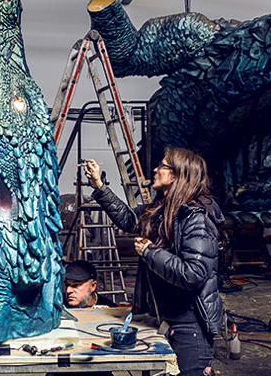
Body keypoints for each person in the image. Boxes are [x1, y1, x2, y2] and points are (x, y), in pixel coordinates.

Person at [84, 148, 224, 376]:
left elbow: (194, 274)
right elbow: (128, 219)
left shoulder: (196, 217)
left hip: (190, 324)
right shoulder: (161, 210)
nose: (156, 169)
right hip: (163, 318)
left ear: (177, 175)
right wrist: (99, 186)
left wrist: (149, 252)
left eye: (162, 166)